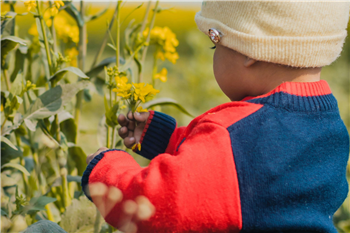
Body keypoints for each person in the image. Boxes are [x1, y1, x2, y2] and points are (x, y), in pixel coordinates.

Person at [82, 1, 350, 232]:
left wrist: (106, 170)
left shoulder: (236, 137)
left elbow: (156, 205)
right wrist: (167, 139)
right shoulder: (330, 126)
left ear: (249, 51)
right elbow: (248, 176)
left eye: (214, 44)